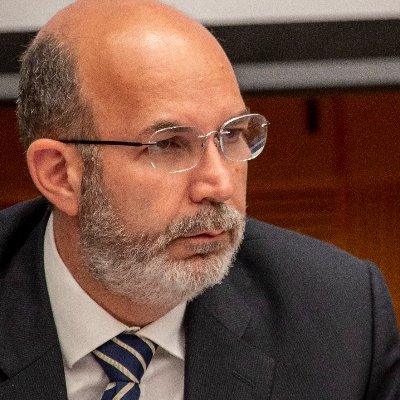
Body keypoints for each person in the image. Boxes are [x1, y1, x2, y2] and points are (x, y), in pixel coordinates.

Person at [0, 0, 399, 399]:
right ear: (60, 175)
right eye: (169, 144)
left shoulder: (338, 315)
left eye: (232, 134)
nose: (219, 185)